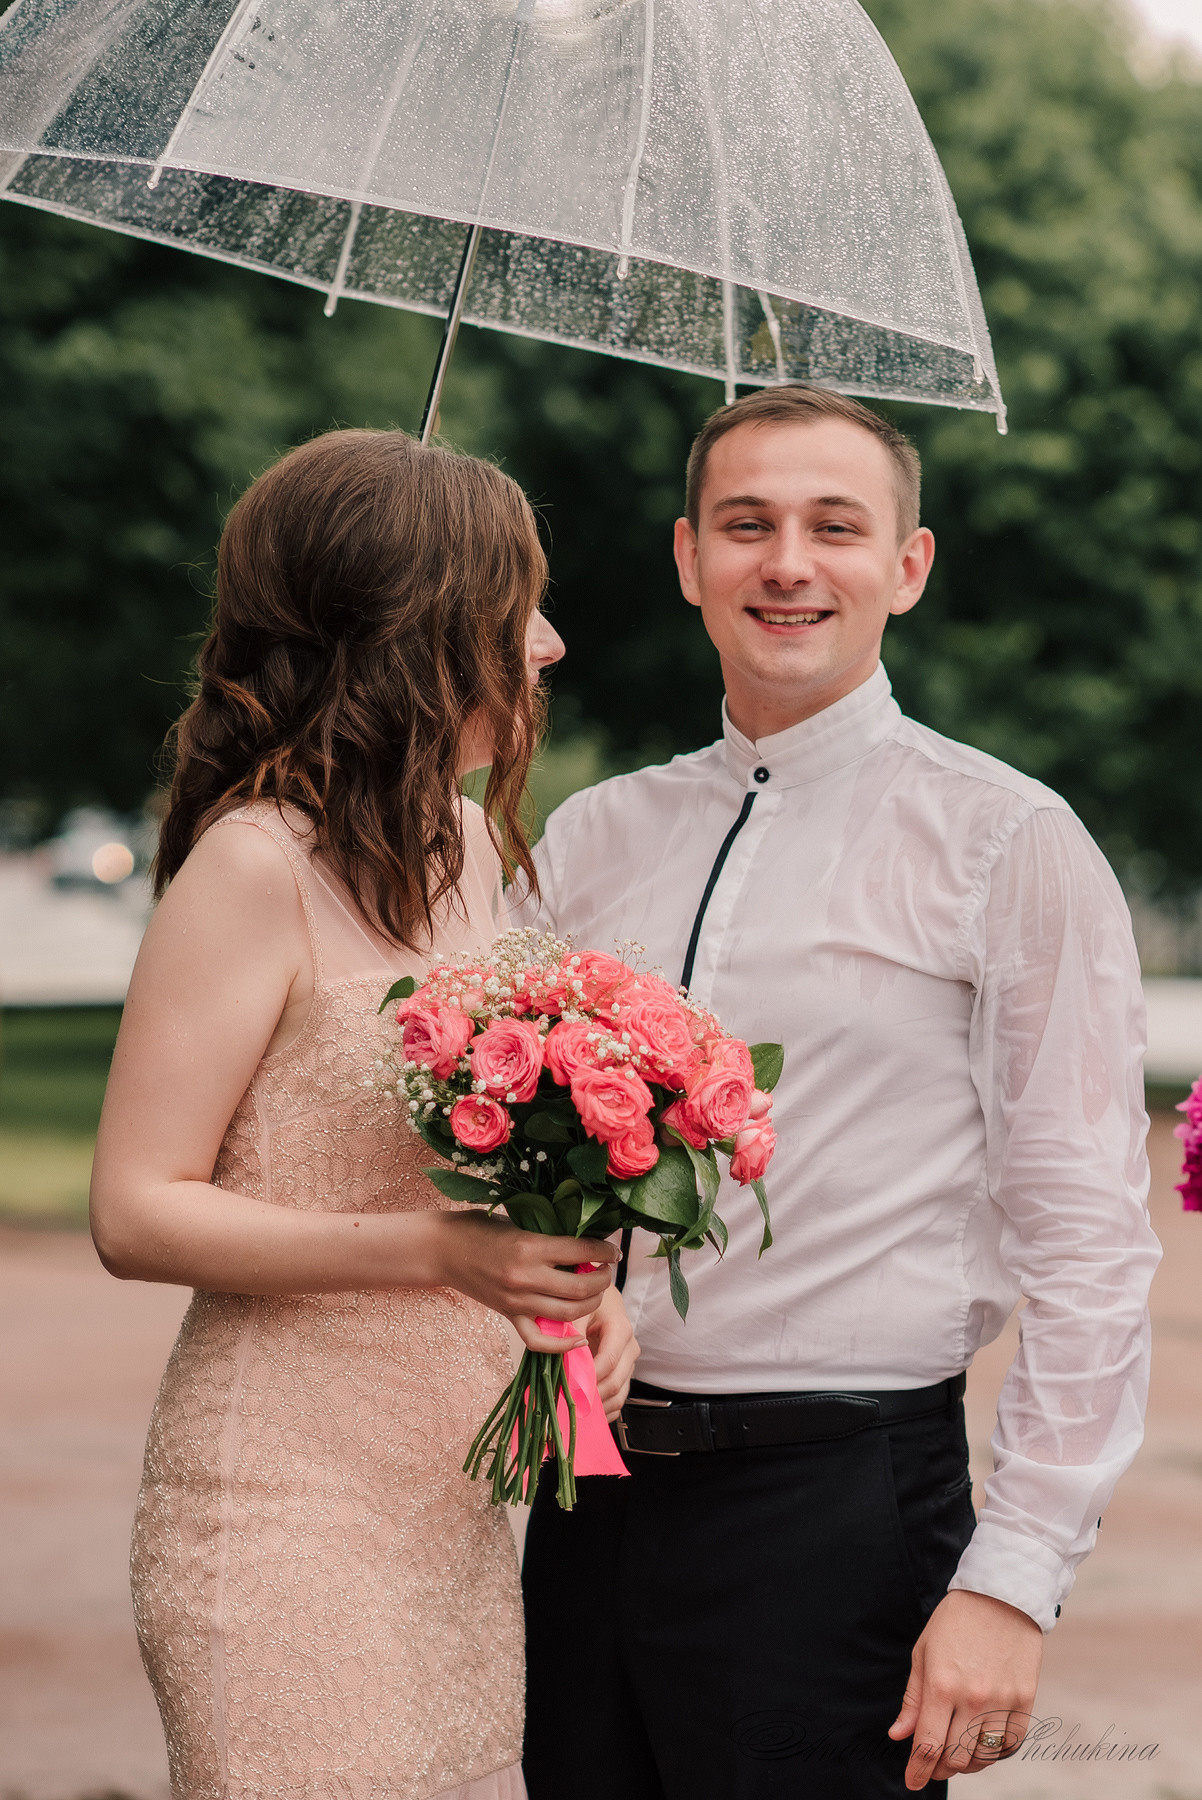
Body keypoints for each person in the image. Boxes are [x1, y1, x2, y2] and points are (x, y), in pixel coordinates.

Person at [517, 385, 1161, 1798]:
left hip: (839, 1506)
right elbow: (522, 1171)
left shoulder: (1005, 839)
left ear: (907, 566)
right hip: (589, 1498)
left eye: (834, 527)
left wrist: (1013, 1577)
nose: (787, 563)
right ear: (687, 558)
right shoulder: (590, 835)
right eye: (746, 525)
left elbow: (1088, 1236)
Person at [89, 429, 638, 1800]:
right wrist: (436, 1258)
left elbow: (466, 1159)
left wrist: (564, 1275)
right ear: (415, 632)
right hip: (285, 1511)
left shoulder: (461, 847)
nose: (551, 645)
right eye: (517, 612)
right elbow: (134, 1209)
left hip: (445, 1508)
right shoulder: (250, 865)